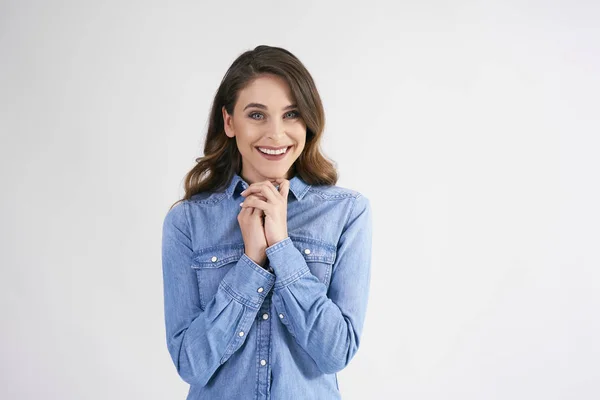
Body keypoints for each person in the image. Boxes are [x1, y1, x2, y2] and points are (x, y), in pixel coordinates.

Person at [161, 45, 373, 400]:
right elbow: (191, 364)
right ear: (229, 122)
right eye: (257, 115)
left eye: (291, 114)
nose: (276, 134)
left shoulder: (347, 213)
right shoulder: (187, 222)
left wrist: (281, 247)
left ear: (308, 121)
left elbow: (336, 352)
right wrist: (251, 264)